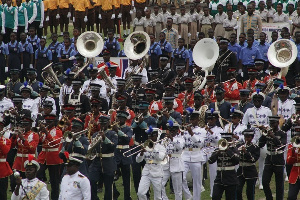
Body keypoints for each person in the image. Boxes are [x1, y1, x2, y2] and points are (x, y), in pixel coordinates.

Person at [88, 115, 118, 200]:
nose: (102, 126)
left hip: (108, 162)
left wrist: (104, 138)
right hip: (96, 162)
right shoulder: (95, 135)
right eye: (101, 124)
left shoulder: (113, 134)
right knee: (91, 180)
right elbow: (92, 149)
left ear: (108, 123)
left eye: (104, 124)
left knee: (108, 186)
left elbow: (113, 147)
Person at [259, 116, 287, 200]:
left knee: (279, 184)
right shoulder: (267, 132)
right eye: (271, 123)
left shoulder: (282, 133)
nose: (272, 125)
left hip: (278, 158)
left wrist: (273, 136)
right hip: (269, 159)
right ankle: (269, 198)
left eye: (273, 123)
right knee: (265, 181)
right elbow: (260, 145)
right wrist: (263, 135)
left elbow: (282, 146)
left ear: (277, 123)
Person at [37, 114, 63, 200]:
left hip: (54, 158)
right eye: (47, 121)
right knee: (37, 173)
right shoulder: (44, 131)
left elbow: (54, 143)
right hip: (43, 157)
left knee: (54, 182)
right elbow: (39, 141)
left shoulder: (58, 131)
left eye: (50, 122)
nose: (48, 123)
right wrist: (38, 132)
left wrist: (46, 132)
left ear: (54, 122)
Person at [136, 127, 166, 200]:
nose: (150, 137)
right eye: (149, 136)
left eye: (152, 136)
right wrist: (141, 153)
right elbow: (138, 160)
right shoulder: (145, 145)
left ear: (156, 136)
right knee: (140, 193)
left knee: (158, 197)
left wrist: (153, 148)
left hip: (157, 173)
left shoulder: (161, 147)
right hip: (146, 172)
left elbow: (160, 158)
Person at [181, 110, 206, 200]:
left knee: (197, 181)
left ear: (198, 119)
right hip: (186, 155)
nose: (192, 121)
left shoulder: (202, 130)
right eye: (191, 119)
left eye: (194, 119)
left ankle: (196, 198)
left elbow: (200, 144)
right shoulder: (186, 129)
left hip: (196, 155)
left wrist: (191, 133)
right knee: (181, 177)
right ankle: (188, 196)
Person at [208, 132, 240, 200]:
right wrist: (217, 153)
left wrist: (228, 151)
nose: (225, 141)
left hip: (230, 179)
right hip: (219, 178)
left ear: (230, 140)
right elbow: (210, 161)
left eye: (227, 139)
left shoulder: (234, 149)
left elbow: (237, 161)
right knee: (215, 197)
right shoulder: (217, 150)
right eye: (223, 139)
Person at [113, 111, 133, 200]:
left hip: (125, 155)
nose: (118, 120)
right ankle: (115, 193)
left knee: (126, 180)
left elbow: (127, 139)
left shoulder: (128, 129)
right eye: (118, 118)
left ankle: (127, 197)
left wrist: (118, 131)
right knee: (111, 176)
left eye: (121, 118)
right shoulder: (113, 129)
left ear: (125, 119)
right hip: (116, 154)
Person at [236, 128, 260, 200]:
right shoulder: (239, 146)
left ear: (252, 138)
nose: (247, 139)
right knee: (238, 190)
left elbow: (253, 159)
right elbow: (236, 158)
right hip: (241, 171)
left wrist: (246, 152)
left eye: (248, 137)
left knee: (250, 192)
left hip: (251, 172)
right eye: (245, 137)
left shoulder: (255, 147)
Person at [0, 118, 13, 200]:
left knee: (2, 192)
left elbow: (5, 151)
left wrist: (0, 140)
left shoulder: (7, 140)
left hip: (2, 169)